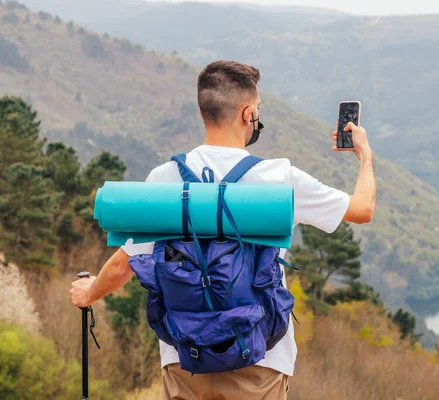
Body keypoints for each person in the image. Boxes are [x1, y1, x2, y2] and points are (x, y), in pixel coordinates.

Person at [70, 60, 376, 400]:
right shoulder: (279, 179)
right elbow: (363, 209)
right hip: (260, 359)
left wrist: (89, 293)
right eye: (257, 110)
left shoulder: (165, 178)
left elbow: (122, 265)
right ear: (248, 114)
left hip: (185, 359)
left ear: (204, 111)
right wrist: (364, 156)